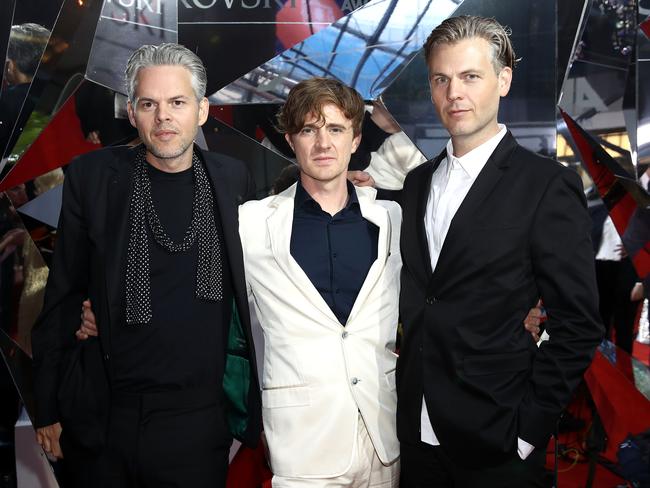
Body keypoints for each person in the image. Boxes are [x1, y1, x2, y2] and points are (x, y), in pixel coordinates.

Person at [30, 43, 261, 488]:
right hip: (106, 418)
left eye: (177, 102)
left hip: (198, 422)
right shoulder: (93, 177)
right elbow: (61, 296)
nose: (164, 117)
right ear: (132, 113)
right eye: (149, 104)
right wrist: (49, 408)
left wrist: (344, 185)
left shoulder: (234, 179)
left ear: (202, 110)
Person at [396, 15, 604, 487]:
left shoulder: (546, 185)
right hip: (414, 434)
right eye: (441, 79)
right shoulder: (416, 184)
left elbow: (578, 323)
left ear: (503, 80)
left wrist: (528, 430)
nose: (454, 94)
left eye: (470, 76)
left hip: (497, 441)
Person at [239, 77, 402, 487]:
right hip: (302, 445)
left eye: (335, 129)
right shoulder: (252, 223)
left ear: (355, 138)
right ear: (291, 140)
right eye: (309, 130)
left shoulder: (391, 220)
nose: (323, 143)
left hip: (383, 441)